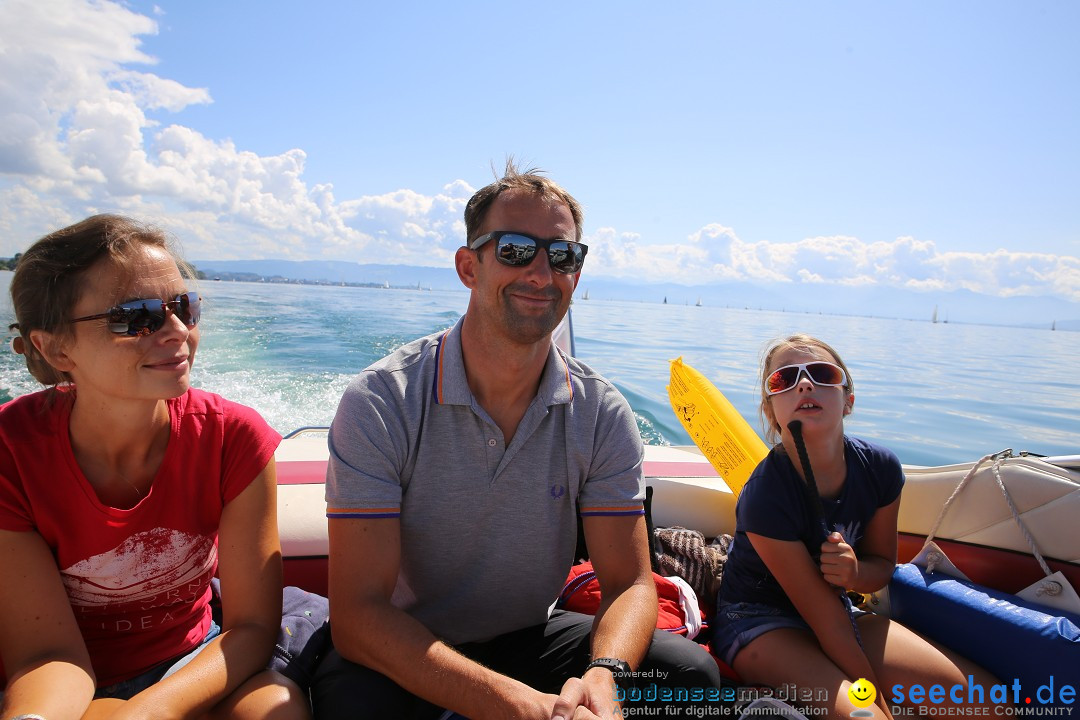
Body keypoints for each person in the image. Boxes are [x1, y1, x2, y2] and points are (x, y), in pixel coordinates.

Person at [312, 163, 722, 720]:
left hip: (528, 635)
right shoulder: (383, 402)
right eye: (514, 250)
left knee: (688, 676)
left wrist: (605, 676)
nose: (540, 272)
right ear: (468, 266)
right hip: (402, 644)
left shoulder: (600, 412)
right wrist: (517, 705)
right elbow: (360, 616)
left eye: (562, 256)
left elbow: (629, 584)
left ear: (576, 274)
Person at [0, 215, 311, 720]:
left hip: (192, 664)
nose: (176, 331)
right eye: (136, 316)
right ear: (55, 347)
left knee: (275, 706)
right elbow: (44, 655)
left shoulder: (233, 437)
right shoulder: (11, 453)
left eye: (183, 307)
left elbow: (251, 627)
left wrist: (149, 711)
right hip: (67, 688)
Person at [712, 334, 1001, 720]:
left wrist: (854, 572)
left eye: (822, 373)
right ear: (771, 410)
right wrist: (881, 705)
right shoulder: (766, 494)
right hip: (758, 623)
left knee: (985, 707)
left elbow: (881, 565)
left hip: (841, 611)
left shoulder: (880, 468)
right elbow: (825, 620)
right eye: (784, 379)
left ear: (848, 399)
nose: (804, 383)